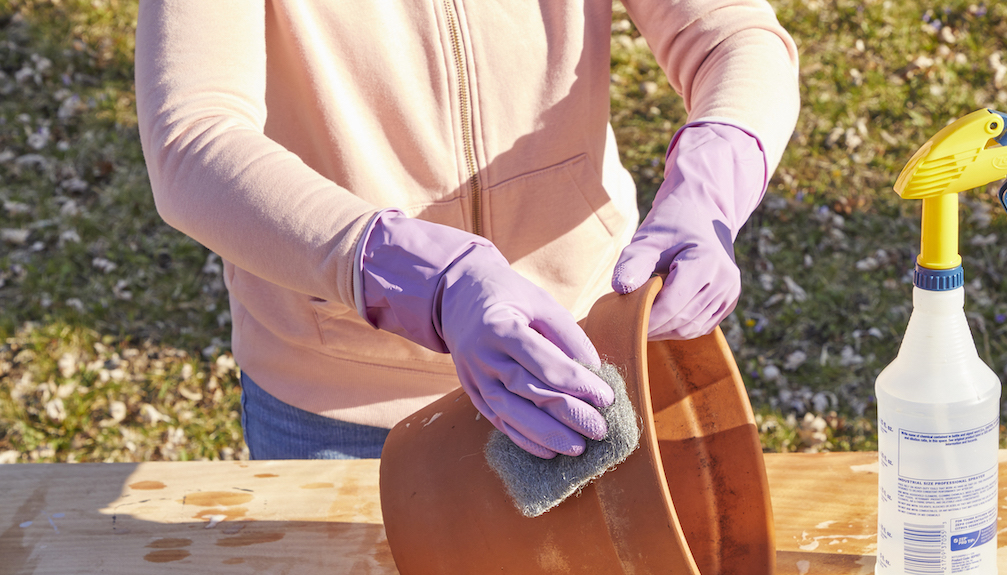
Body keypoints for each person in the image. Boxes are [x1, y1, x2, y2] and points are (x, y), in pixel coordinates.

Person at [135, 1, 800, 460]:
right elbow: (193, 141)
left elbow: (732, 36)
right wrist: (428, 279)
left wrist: (716, 175)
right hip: (343, 406)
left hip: (589, 359)